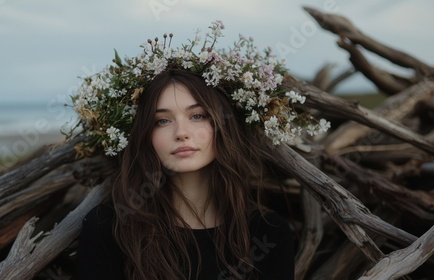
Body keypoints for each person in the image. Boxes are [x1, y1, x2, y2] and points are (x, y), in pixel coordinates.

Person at [74, 21, 308, 280]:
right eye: (162, 120)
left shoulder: (268, 233)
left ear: (223, 124)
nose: (181, 132)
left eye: (197, 116)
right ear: (143, 135)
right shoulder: (109, 228)